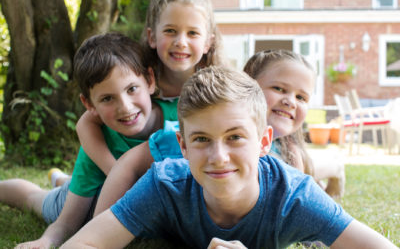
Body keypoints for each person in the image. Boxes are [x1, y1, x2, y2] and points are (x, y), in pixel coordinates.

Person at [61, 66, 397, 249]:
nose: (218, 157)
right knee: (46, 202)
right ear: (183, 146)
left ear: (264, 141)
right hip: (120, 200)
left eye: (235, 137)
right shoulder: (164, 184)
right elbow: (84, 242)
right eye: (202, 139)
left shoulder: (293, 198)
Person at [0, 32, 176, 248]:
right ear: (89, 104)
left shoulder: (181, 118)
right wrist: (45, 241)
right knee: (35, 199)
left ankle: (62, 178)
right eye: (107, 98)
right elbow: (66, 224)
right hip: (86, 202)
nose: (125, 107)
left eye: (131, 89)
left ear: (149, 80)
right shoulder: (97, 147)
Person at [73, 0, 225, 215]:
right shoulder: (137, 78)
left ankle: (60, 179)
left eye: (192, 33)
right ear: (152, 36)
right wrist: (115, 171)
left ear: (208, 42)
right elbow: (85, 123)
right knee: (47, 200)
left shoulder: (215, 89)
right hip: (122, 168)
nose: (181, 42)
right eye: (171, 31)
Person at [243, 49, 345, 198]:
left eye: (301, 97)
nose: (291, 102)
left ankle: (335, 167)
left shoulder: (291, 148)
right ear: (247, 86)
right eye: (279, 88)